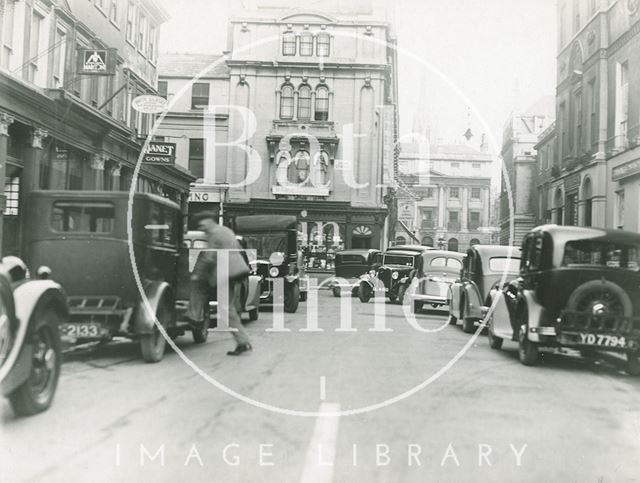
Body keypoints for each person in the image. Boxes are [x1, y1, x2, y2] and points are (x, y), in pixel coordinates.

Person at [186, 211, 252, 356]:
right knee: (227, 309)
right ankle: (243, 341)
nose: (201, 227)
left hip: (225, 272)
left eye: (202, 223)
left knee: (203, 290)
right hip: (234, 271)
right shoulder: (226, 230)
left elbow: (209, 257)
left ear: (209, 220)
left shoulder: (214, 234)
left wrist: (197, 274)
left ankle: (195, 317)